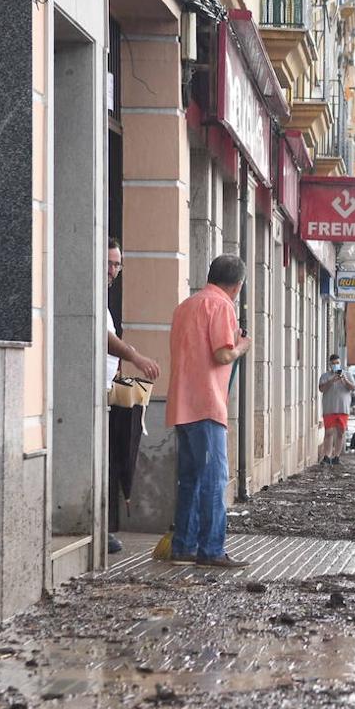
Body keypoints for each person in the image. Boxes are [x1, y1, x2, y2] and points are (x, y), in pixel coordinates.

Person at [165, 254, 252, 567]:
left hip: (181, 404)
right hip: (207, 405)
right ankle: (211, 550)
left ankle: (183, 546)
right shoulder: (221, 306)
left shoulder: (185, 306)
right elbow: (223, 355)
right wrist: (242, 345)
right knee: (215, 479)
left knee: (189, 480)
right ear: (237, 285)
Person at [105, 238, 160, 554]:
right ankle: (99, 527)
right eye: (109, 263)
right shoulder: (91, 293)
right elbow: (105, 338)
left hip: (108, 392)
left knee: (115, 460)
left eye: (117, 264)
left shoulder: (104, 298)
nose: (113, 270)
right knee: (108, 461)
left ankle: (104, 528)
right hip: (90, 393)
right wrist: (136, 357)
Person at [318, 354, 355, 465]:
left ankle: (337, 456)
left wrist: (344, 380)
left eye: (337, 363)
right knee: (328, 432)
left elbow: (352, 387)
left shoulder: (347, 374)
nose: (335, 365)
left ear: (340, 364)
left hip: (343, 408)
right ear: (330, 365)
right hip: (329, 408)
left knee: (341, 432)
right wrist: (331, 381)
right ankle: (327, 456)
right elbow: (321, 388)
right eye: (333, 364)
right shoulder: (325, 376)